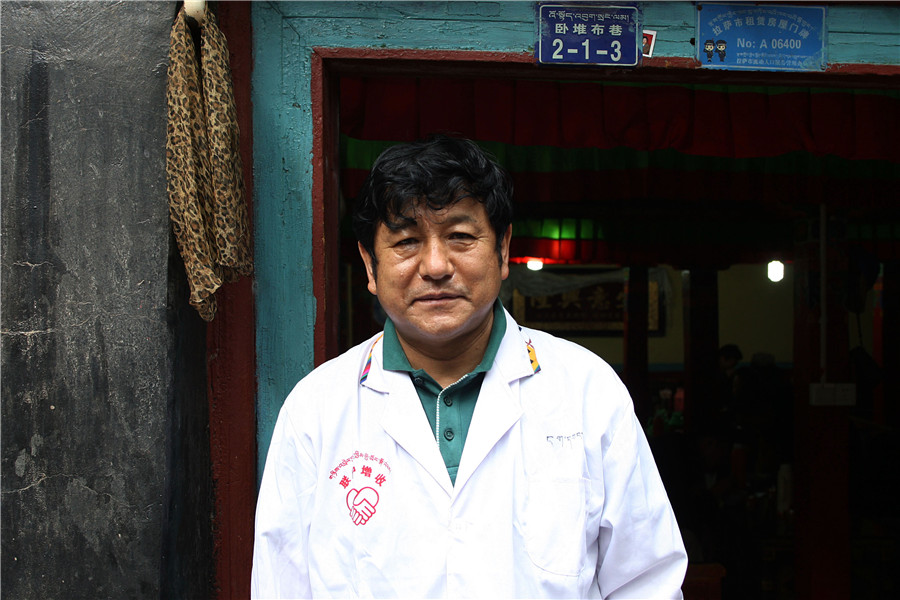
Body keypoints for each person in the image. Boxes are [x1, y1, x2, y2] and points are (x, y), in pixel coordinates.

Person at [251, 135, 687, 598]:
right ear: (370, 266)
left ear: (502, 251)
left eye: (460, 237)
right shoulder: (317, 408)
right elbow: (281, 583)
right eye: (406, 241)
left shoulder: (587, 391)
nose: (436, 266)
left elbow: (647, 584)